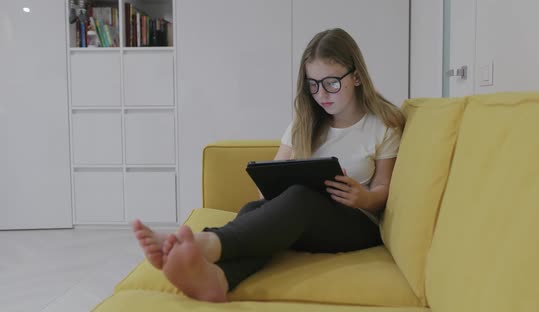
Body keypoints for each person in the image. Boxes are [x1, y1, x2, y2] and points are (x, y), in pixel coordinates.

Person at [133, 28, 405, 303]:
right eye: (313, 84)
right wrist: (268, 198)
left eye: (331, 83)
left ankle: (204, 243)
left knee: (300, 198)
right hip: (305, 221)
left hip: (356, 224)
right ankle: (217, 279)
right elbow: (272, 176)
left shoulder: (383, 125)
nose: (321, 94)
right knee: (254, 208)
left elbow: (384, 187)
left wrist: (364, 196)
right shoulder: (304, 124)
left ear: (356, 76)